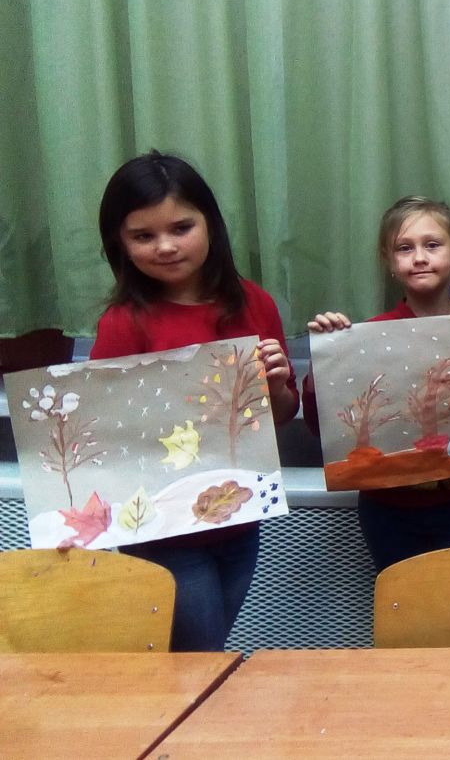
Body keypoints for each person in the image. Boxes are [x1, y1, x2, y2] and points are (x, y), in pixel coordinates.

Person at [91, 150, 299, 651]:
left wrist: (276, 387)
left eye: (181, 228)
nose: (165, 246)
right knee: (198, 659)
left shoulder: (255, 303)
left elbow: (280, 416)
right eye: (143, 236)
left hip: (238, 519)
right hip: (162, 533)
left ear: (211, 224)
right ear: (119, 244)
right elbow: (105, 437)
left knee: (204, 653)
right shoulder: (123, 323)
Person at [304, 196, 450, 571]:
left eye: (432, 245)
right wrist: (324, 367)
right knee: (402, 599)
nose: (419, 258)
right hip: (386, 511)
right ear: (388, 260)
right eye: (404, 248)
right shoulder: (367, 338)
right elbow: (324, 430)